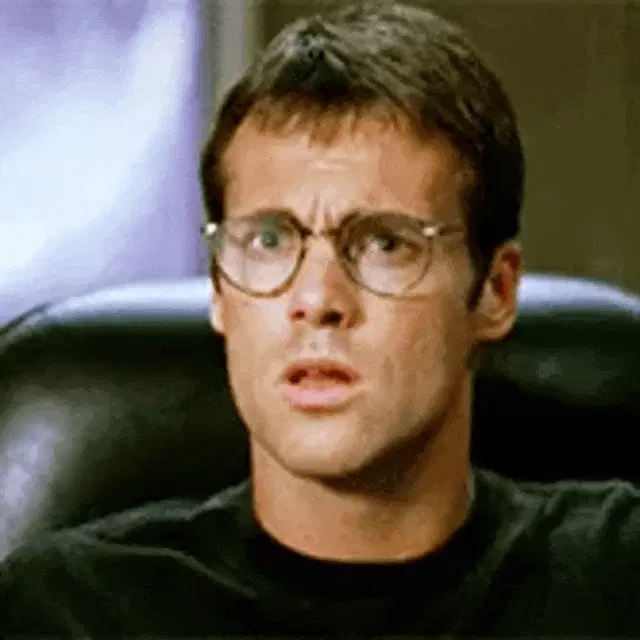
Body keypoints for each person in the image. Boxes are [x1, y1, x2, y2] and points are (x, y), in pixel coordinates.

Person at [2, 0, 640, 637]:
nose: (316, 300)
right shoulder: (71, 611)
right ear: (220, 290)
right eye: (270, 241)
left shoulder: (615, 578)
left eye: (386, 243)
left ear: (494, 292)